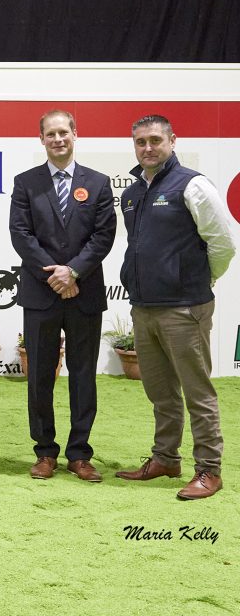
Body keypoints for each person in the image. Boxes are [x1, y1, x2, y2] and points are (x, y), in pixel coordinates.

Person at [115, 115, 235, 500]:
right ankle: (165, 458)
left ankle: (209, 470)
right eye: (140, 142)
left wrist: (202, 281)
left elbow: (222, 243)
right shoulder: (131, 194)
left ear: (172, 141)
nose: (147, 148)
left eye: (154, 140)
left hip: (185, 306)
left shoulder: (193, 184)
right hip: (144, 307)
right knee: (160, 392)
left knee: (196, 391)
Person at [9, 109, 116, 482]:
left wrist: (73, 272)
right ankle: (45, 452)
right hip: (41, 294)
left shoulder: (99, 183)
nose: (57, 139)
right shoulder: (26, 183)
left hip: (83, 292)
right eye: (50, 134)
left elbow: (103, 236)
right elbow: (21, 235)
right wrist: (55, 274)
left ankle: (80, 454)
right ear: (41, 139)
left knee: (83, 374)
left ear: (75, 134)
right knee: (40, 376)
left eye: (63, 132)